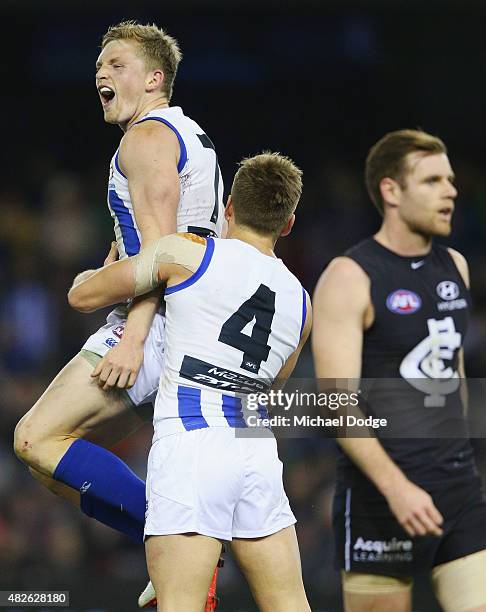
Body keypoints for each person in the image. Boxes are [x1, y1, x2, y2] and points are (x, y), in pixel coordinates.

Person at [14, 20, 224, 607]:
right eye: (98, 67)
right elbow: (206, 235)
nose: (100, 74)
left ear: (156, 79)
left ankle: (177, 542)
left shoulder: (146, 138)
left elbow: (160, 257)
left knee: (34, 439)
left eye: (116, 64)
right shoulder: (195, 137)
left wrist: (132, 337)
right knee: (53, 459)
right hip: (193, 327)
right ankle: (177, 550)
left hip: (155, 323)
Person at [68, 152, 312, 611]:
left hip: (191, 444)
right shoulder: (301, 303)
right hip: (256, 454)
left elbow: (82, 297)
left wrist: (100, 272)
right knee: (289, 602)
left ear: (229, 208)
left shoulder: (185, 252)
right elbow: (272, 393)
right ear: (287, 225)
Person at [312, 129, 486, 612]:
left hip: (456, 489)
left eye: (449, 180)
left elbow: (453, 373)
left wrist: (465, 462)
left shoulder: (455, 265)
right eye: (432, 180)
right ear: (391, 191)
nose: (451, 190)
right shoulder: (350, 276)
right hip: (379, 499)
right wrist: (397, 488)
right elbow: (333, 403)